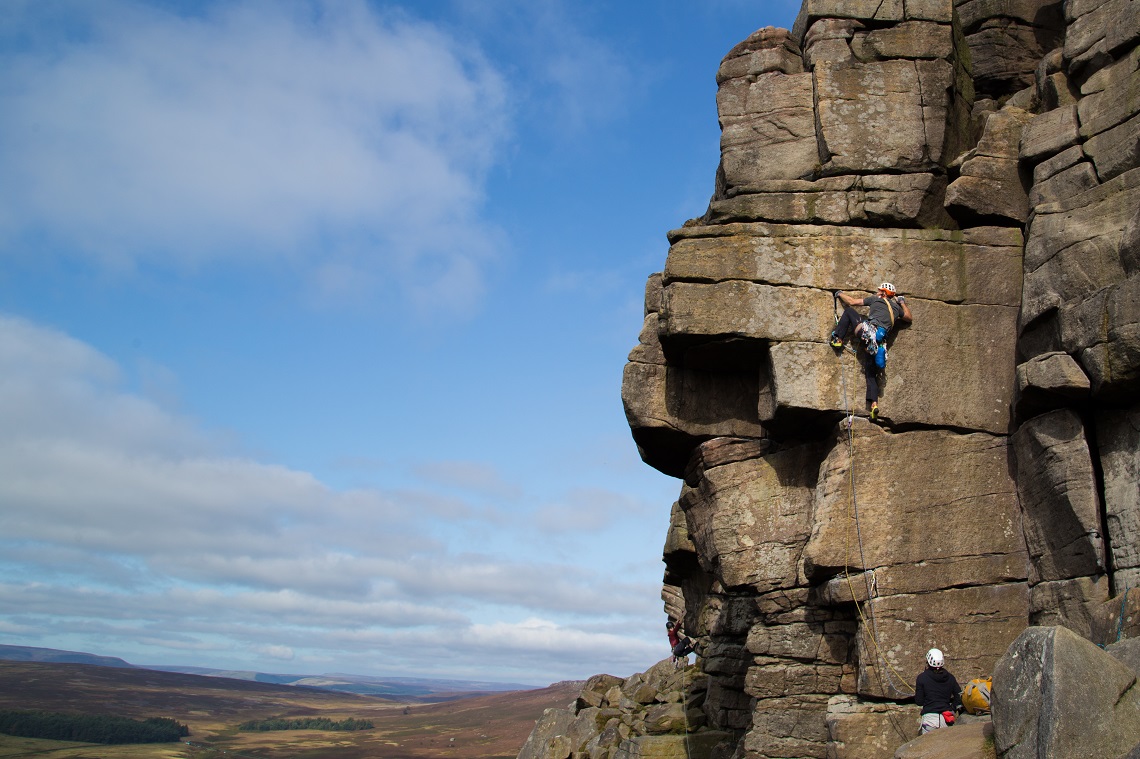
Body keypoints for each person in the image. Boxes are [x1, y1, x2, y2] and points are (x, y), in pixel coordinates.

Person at [829, 282, 913, 419]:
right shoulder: (896, 309)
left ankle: (838, 339)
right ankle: (874, 405)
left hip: (867, 333)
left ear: (884, 293)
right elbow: (909, 318)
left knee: (849, 311)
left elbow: (851, 302)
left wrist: (839, 293)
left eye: (880, 291)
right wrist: (902, 302)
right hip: (878, 345)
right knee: (871, 374)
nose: (877, 292)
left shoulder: (875, 299)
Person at [914, 648, 962, 734]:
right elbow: (959, 696)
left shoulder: (922, 678)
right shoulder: (950, 678)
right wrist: (952, 708)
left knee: (927, 746)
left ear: (928, 661)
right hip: (946, 718)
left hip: (930, 719)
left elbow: (919, 701)